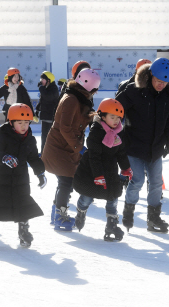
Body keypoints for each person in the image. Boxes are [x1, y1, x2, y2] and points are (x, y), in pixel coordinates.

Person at [115, 58, 169, 233]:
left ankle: (153, 218)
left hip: (156, 147)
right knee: (137, 181)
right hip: (134, 145)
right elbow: (115, 110)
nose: (161, 85)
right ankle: (128, 211)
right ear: (150, 75)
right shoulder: (134, 91)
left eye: (165, 82)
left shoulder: (168, 95)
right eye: (158, 81)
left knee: (156, 183)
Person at [0, 103, 46, 248]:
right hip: (0, 180)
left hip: (20, 181)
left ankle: (23, 231)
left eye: (26, 123)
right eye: (20, 123)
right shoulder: (3, 137)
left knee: (22, 206)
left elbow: (34, 158)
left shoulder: (30, 140)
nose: (24, 126)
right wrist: (4, 158)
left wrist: (40, 173)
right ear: (11, 122)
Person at [42, 69, 100, 231]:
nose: (94, 94)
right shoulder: (71, 100)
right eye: (94, 90)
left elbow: (80, 121)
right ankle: (60, 215)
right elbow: (65, 128)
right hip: (60, 147)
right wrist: (78, 148)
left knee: (65, 182)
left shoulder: (79, 98)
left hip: (68, 147)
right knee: (66, 182)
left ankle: (57, 214)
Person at [72, 98, 132, 241]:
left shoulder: (118, 132)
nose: (116, 121)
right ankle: (81, 211)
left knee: (113, 197)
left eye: (118, 117)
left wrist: (125, 168)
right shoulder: (96, 132)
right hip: (92, 170)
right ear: (102, 117)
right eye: (112, 117)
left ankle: (111, 224)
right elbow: (94, 157)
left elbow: (121, 153)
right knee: (87, 197)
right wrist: (98, 175)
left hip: (110, 170)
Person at [35, 71, 60, 154]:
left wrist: (41, 88)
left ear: (48, 80)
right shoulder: (46, 88)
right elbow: (43, 100)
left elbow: (48, 97)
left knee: (49, 136)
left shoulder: (53, 88)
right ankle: (43, 152)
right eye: (41, 79)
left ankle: (50, 154)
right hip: (45, 116)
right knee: (44, 136)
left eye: (43, 79)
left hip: (50, 116)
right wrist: (37, 109)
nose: (41, 81)